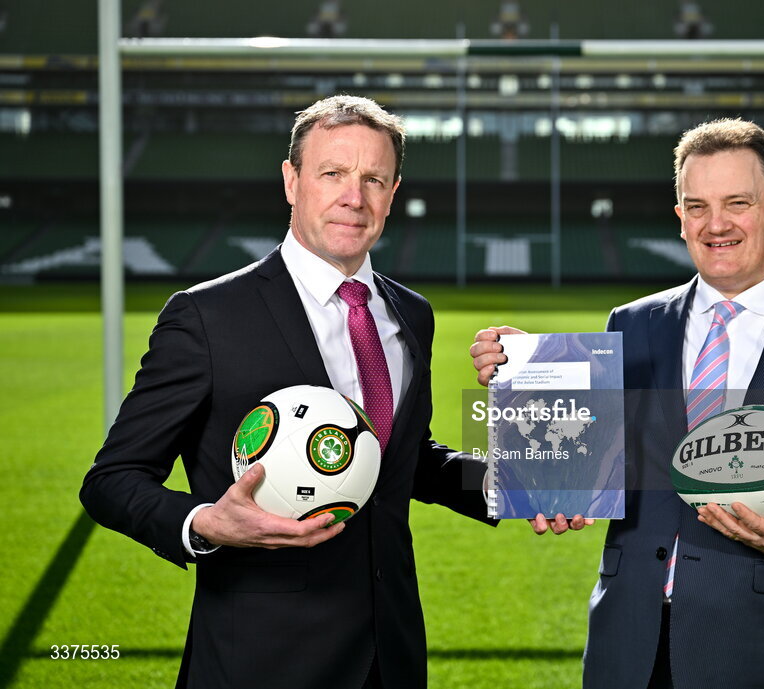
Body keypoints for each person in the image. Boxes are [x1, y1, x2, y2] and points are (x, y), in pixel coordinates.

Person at [470, 118, 764, 688]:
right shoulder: (631, 324)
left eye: (738, 202)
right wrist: (523, 373)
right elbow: (594, 458)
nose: (716, 224)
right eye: (697, 206)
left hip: (763, 644)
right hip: (629, 641)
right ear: (680, 218)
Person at [80, 95, 492, 689]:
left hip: (391, 654)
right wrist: (203, 522)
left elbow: (399, 459)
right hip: (260, 661)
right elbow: (111, 481)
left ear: (393, 192)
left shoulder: (411, 315)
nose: (355, 196)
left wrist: (520, 483)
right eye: (333, 174)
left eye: (373, 178)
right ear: (291, 180)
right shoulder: (206, 317)